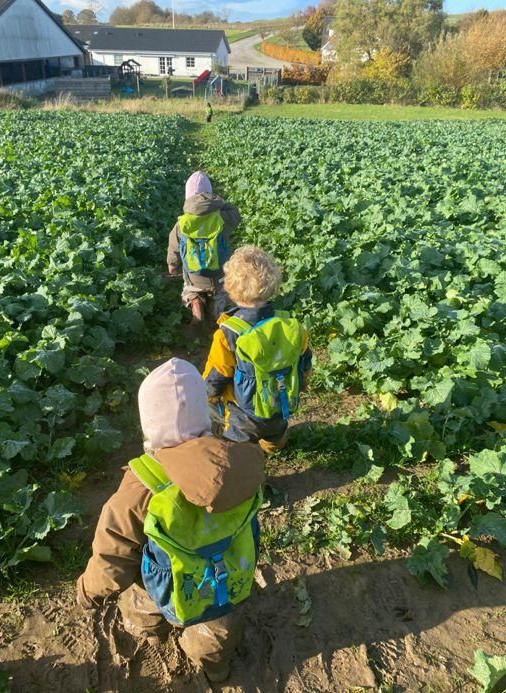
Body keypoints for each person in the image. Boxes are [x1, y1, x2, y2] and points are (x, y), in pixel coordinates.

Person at [77, 358, 264, 683]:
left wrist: (87, 592)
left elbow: (112, 556)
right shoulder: (239, 463)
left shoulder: (142, 484)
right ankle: (216, 669)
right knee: (217, 632)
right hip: (226, 579)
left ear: (149, 425)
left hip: (166, 583)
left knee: (140, 602)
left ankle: (150, 633)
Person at [203, 245, 312, 454]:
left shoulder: (227, 333)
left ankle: (245, 457)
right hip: (281, 403)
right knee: (276, 430)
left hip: (243, 414)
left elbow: (217, 375)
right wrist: (302, 383)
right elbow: (305, 361)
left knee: (236, 446)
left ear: (230, 288)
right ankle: (274, 445)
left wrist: (209, 396)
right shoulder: (292, 326)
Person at [167, 171, 241, 323]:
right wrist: (220, 203)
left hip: (195, 279)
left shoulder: (181, 224)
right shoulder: (222, 218)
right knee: (224, 295)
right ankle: (218, 310)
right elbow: (236, 214)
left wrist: (174, 267)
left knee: (189, 290)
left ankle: (195, 301)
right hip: (219, 278)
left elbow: (173, 259)